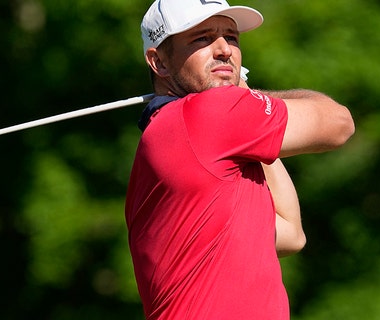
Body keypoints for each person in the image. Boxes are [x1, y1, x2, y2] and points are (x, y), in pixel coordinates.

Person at [125, 0, 355, 319]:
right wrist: (246, 97)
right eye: (202, 38)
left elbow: (290, 233)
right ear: (159, 62)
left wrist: (246, 103)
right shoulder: (205, 115)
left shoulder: (168, 134)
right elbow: (339, 123)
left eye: (231, 38)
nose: (224, 50)